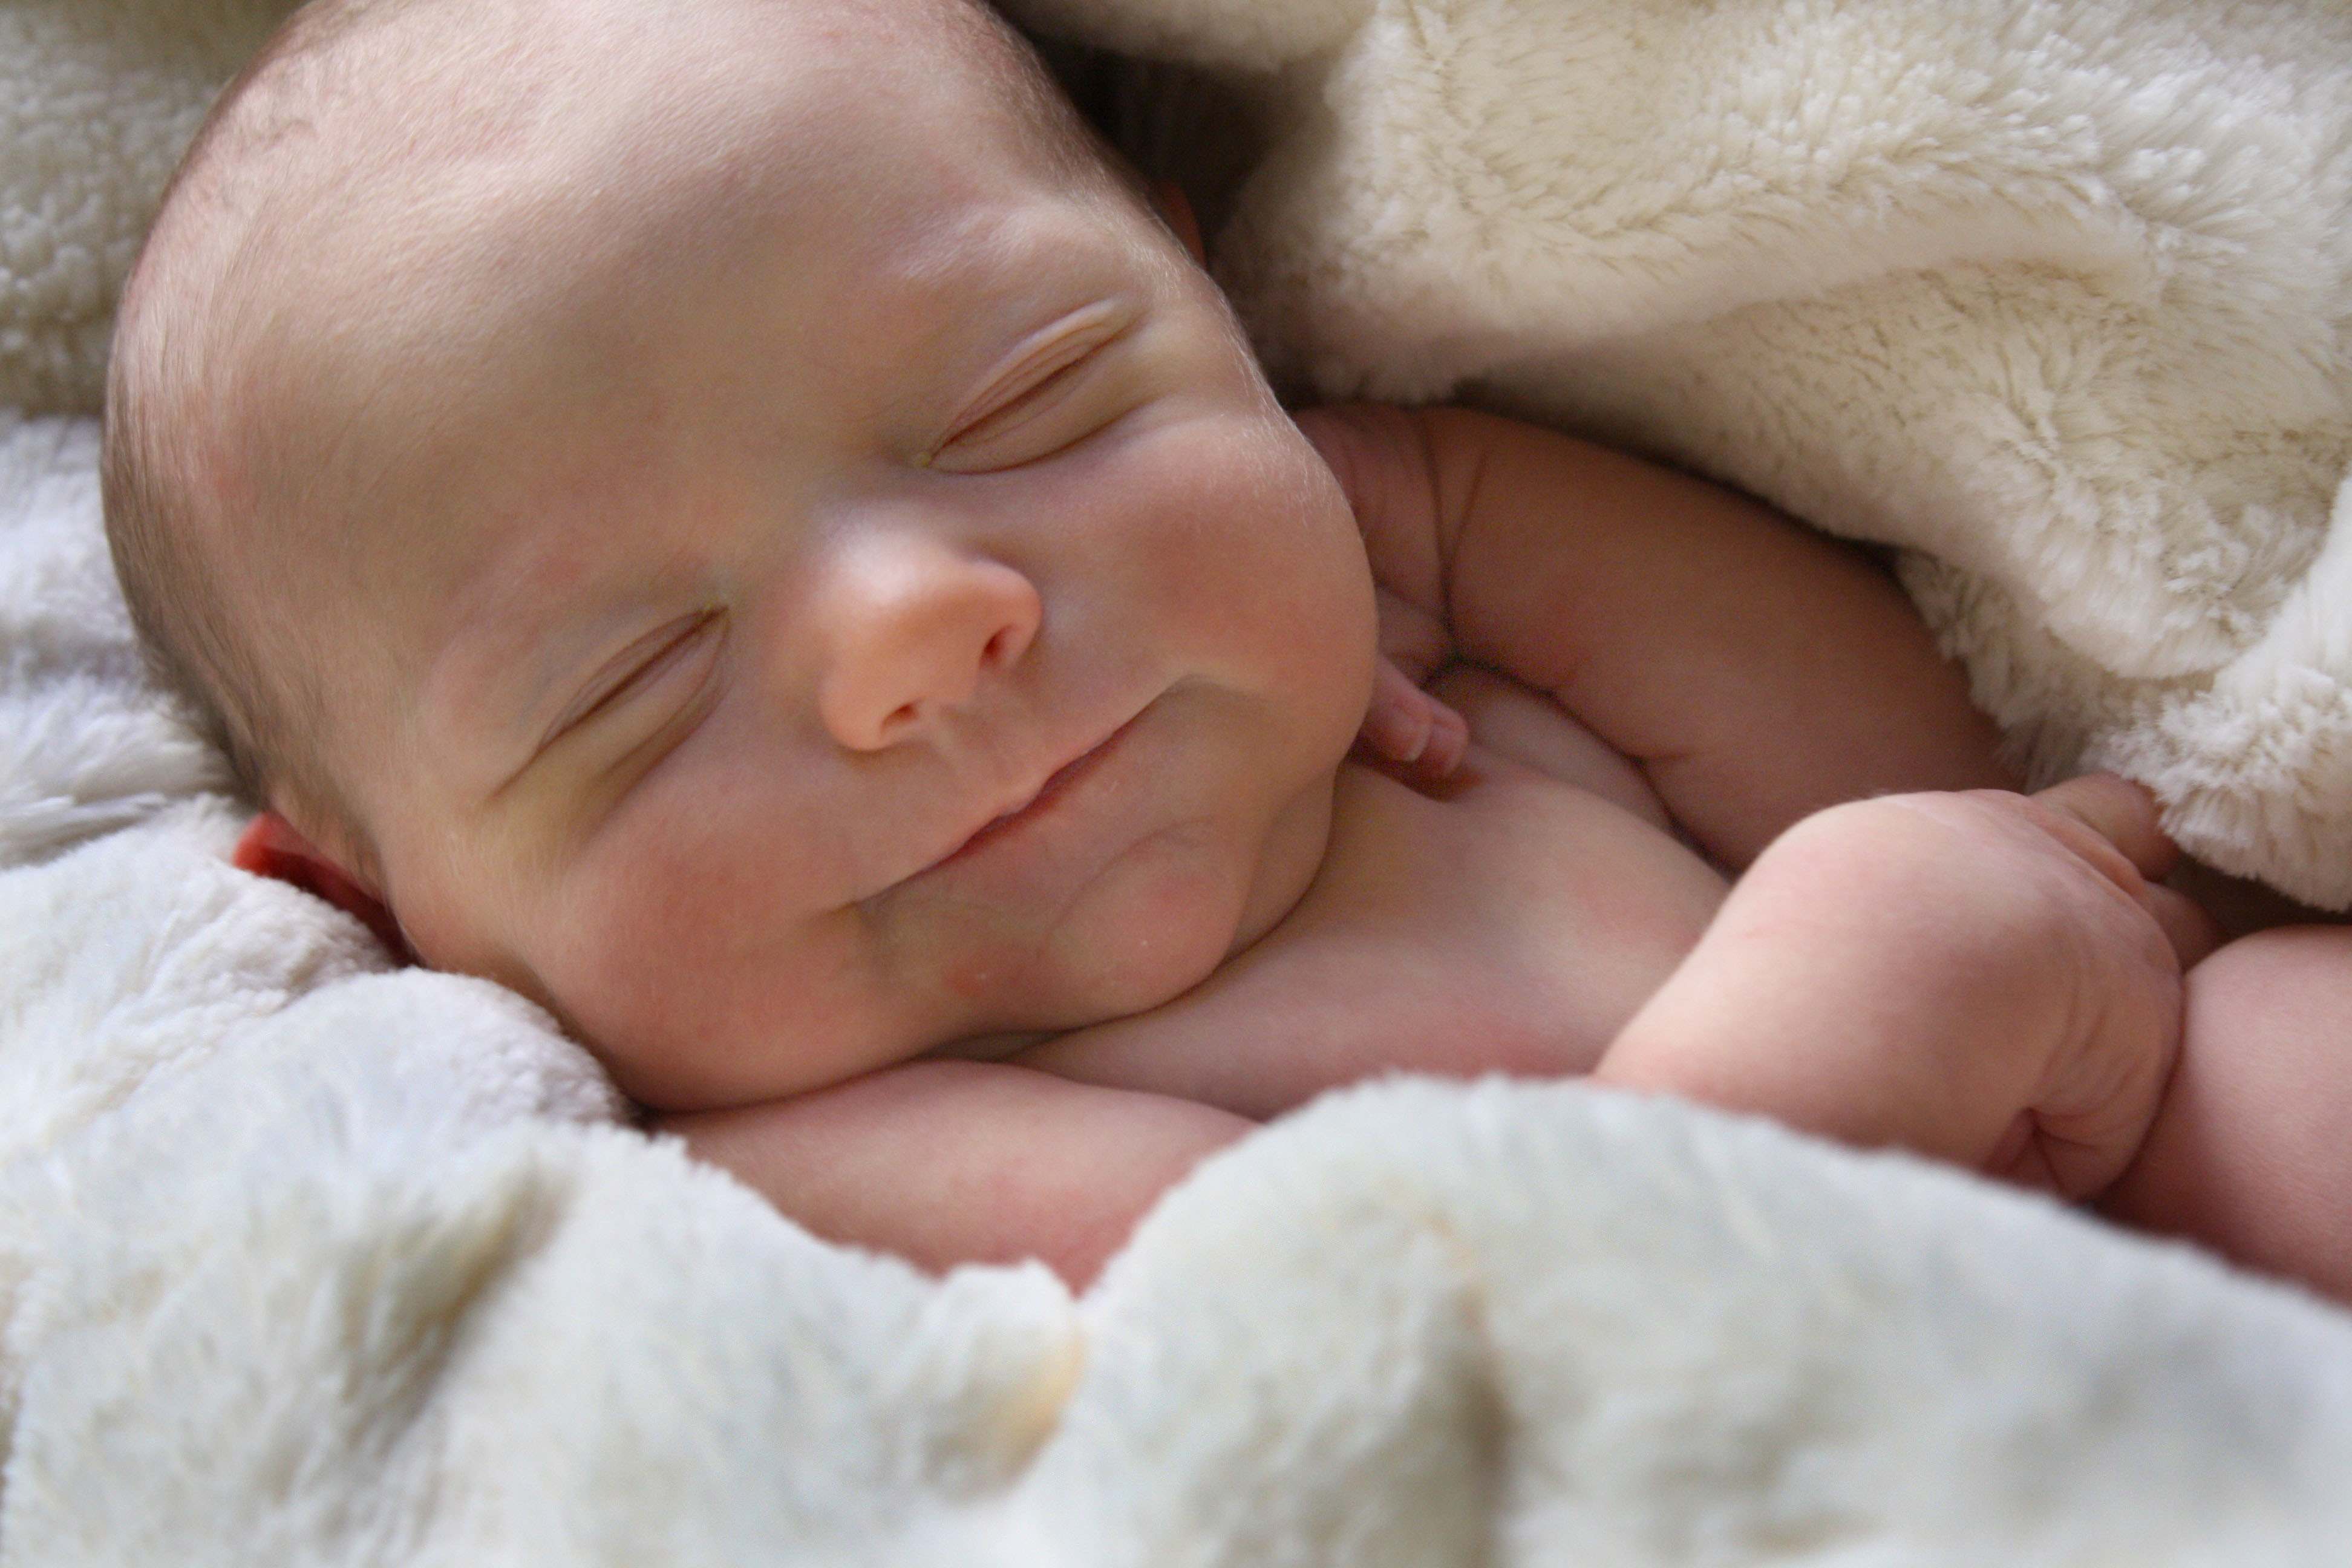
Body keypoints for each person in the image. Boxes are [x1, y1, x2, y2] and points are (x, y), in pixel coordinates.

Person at [102, 0, 2352, 1295]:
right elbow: (1456, 1322)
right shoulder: (831, 1153)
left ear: (1229, 330)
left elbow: (1947, 787)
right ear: (385, 912)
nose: (918, 626)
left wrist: (1413, 511)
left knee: (2278, 1044)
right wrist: (1872, 981)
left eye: (1031, 404)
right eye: (625, 683)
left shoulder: (1443, 714)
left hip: (2094, 1214)